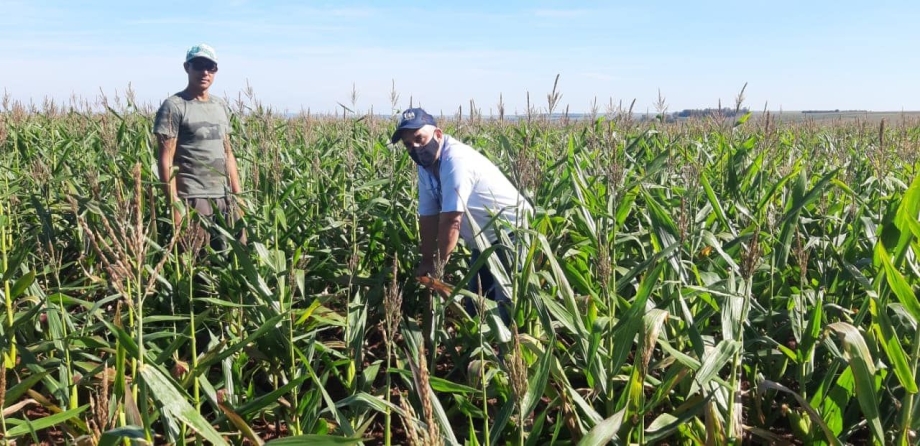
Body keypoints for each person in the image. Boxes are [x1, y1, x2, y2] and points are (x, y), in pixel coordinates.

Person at [391, 108, 532, 322]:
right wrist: (427, 260)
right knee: (475, 305)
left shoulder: (455, 161)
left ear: (438, 134)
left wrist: (438, 267)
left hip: (512, 233)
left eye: (420, 139)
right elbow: (428, 217)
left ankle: (507, 355)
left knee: (506, 309)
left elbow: (450, 220)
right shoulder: (425, 166)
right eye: (408, 144)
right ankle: (480, 352)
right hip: (482, 241)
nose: (415, 148)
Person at [154, 43, 244, 253]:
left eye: (210, 67)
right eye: (199, 65)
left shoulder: (220, 105)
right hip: (194, 198)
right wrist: (174, 204)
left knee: (235, 257)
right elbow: (166, 160)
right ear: (187, 67)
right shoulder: (174, 106)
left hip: (224, 197)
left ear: (215, 71)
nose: (205, 72)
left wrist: (238, 196)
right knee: (198, 262)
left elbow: (228, 153)